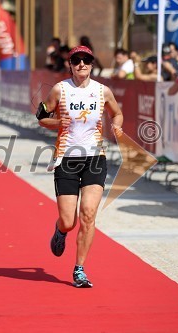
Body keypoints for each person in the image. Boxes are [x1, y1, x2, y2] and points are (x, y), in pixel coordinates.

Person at [37, 45, 123, 288]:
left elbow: (117, 113)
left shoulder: (102, 91)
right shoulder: (60, 90)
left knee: (88, 213)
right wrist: (56, 123)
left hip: (95, 158)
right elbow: (41, 116)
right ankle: (60, 230)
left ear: (92, 64)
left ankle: (79, 269)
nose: (81, 64)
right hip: (66, 158)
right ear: (70, 65)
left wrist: (117, 127)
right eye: (77, 61)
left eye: (86, 60)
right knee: (69, 220)